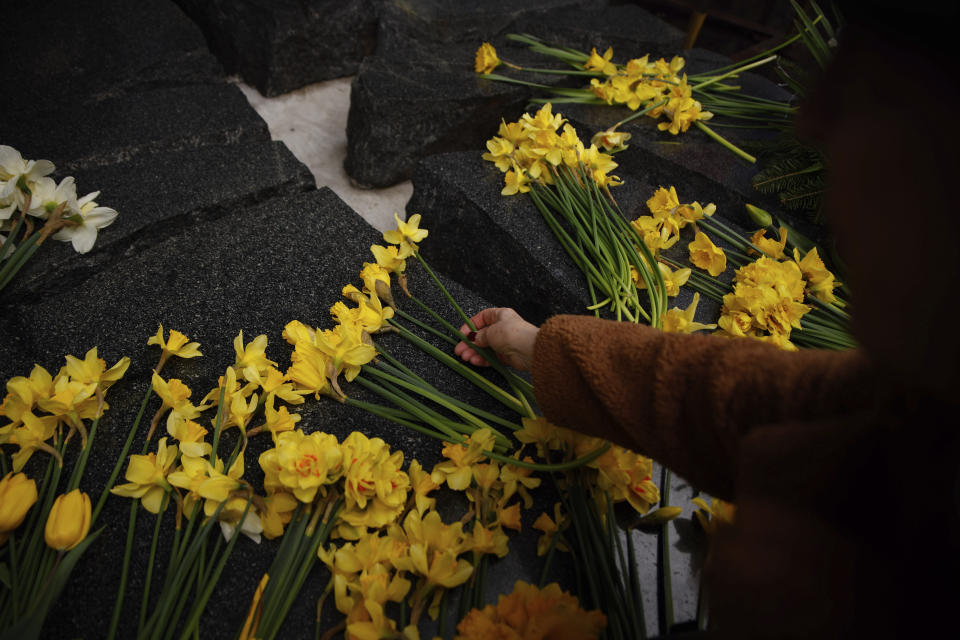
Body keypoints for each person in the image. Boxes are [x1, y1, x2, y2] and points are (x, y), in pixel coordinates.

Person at [454, 6, 960, 638]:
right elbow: (752, 400)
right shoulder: (916, 395)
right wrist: (541, 348)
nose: (810, 121)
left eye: (870, 96)